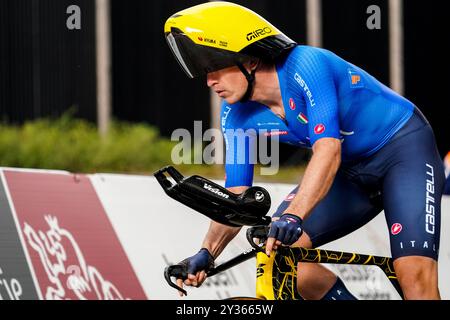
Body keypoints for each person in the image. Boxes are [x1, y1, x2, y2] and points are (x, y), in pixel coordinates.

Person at [164, 2, 445, 300]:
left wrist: (294, 216)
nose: (209, 81)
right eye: (205, 73)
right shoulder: (234, 114)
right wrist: (208, 252)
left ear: (250, 60)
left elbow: (328, 149)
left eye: (215, 67)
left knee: (414, 276)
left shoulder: (306, 65)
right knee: (278, 255)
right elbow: (236, 194)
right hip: (348, 172)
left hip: (403, 153)